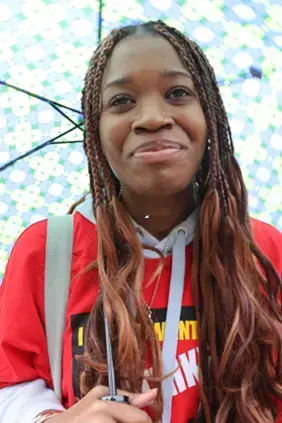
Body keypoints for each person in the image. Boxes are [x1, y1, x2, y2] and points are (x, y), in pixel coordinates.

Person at [0, 19, 281, 423]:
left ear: (211, 118)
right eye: (121, 101)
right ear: (94, 132)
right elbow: (11, 382)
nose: (151, 117)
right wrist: (48, 419)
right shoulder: (48, 251)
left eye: (178, 93)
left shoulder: (265, 250)